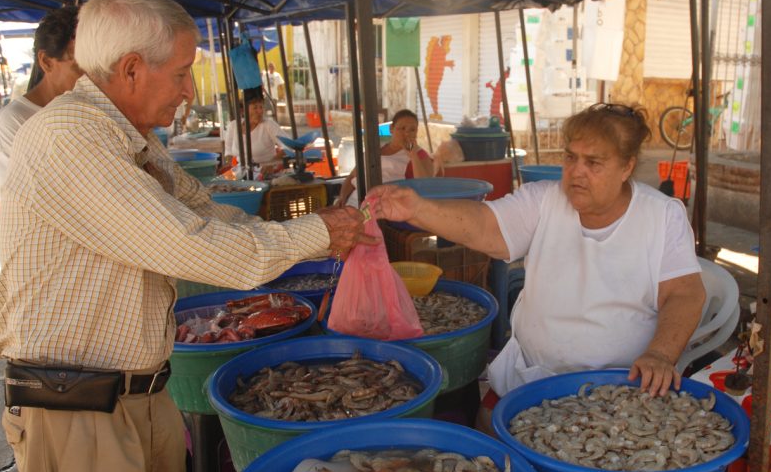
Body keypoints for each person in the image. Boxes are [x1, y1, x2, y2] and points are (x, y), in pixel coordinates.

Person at [0, 0, 369, 472]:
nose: (191, 90)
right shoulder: (70, 139)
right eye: (184, 72)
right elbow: (192, 244)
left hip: (141, 396)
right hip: (77, 410)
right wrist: (317, 234)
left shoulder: (128, 137)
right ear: (132, 69)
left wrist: (311, 231)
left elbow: (203, 211)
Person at [368, 103, 706, 419]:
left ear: (627, 166)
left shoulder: (661, 216)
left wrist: (661, 354)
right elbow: (485, 225)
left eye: (594, 163)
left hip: (618, 394)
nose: (576, 172)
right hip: (530, 380)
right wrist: (417, 209)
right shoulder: (545, 200)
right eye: (570, 158)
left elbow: (684, 293)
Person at [0, 6, 81, 199]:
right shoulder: (13, 122)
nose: (91, 77)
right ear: (46, 62)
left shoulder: (84, 110)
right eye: (80, 67)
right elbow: (19, 202)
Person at [336, 109, 435, 208]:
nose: (407, 133)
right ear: (391, 128)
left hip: (383, 207)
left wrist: (413, 156)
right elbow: (352, 177)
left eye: (412, 130)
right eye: (402, 128)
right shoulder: (374, 149)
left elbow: (425, 186)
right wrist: (342, 197)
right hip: (355, 201)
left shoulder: (419, 154)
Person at [224, 88, 286, 175]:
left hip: (266, 173)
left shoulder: (268, 125)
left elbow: (288, 146)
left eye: (261, 107)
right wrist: (228, 166)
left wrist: (271, 163)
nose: (260, 111)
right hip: (241, 173)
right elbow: (228, 152)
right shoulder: (233, 126)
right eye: (255, 108)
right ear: (243, 110)